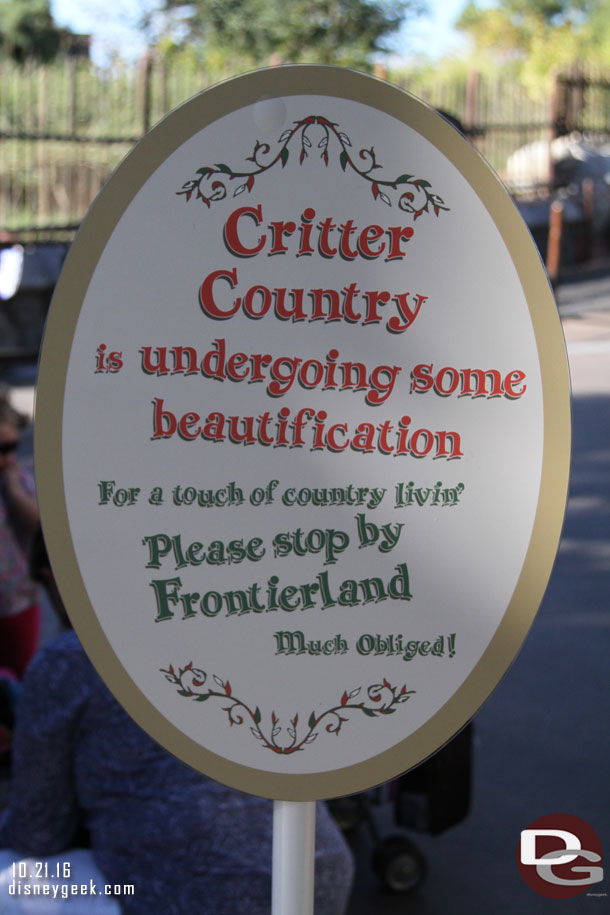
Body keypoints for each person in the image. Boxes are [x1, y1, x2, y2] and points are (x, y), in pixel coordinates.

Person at [0, 530, 354, 914]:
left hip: (182, 886)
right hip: (315, 873)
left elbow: (38, 831)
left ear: (55, 577)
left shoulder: (67, 660)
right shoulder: (236, 624)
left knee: (13, 877)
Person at [0, 396, 40, 680]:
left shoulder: (16, 480)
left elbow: (39, 526)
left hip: (19, 600)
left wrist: (14, 493)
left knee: (23, 677)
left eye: (12, 447)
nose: (9, 457)